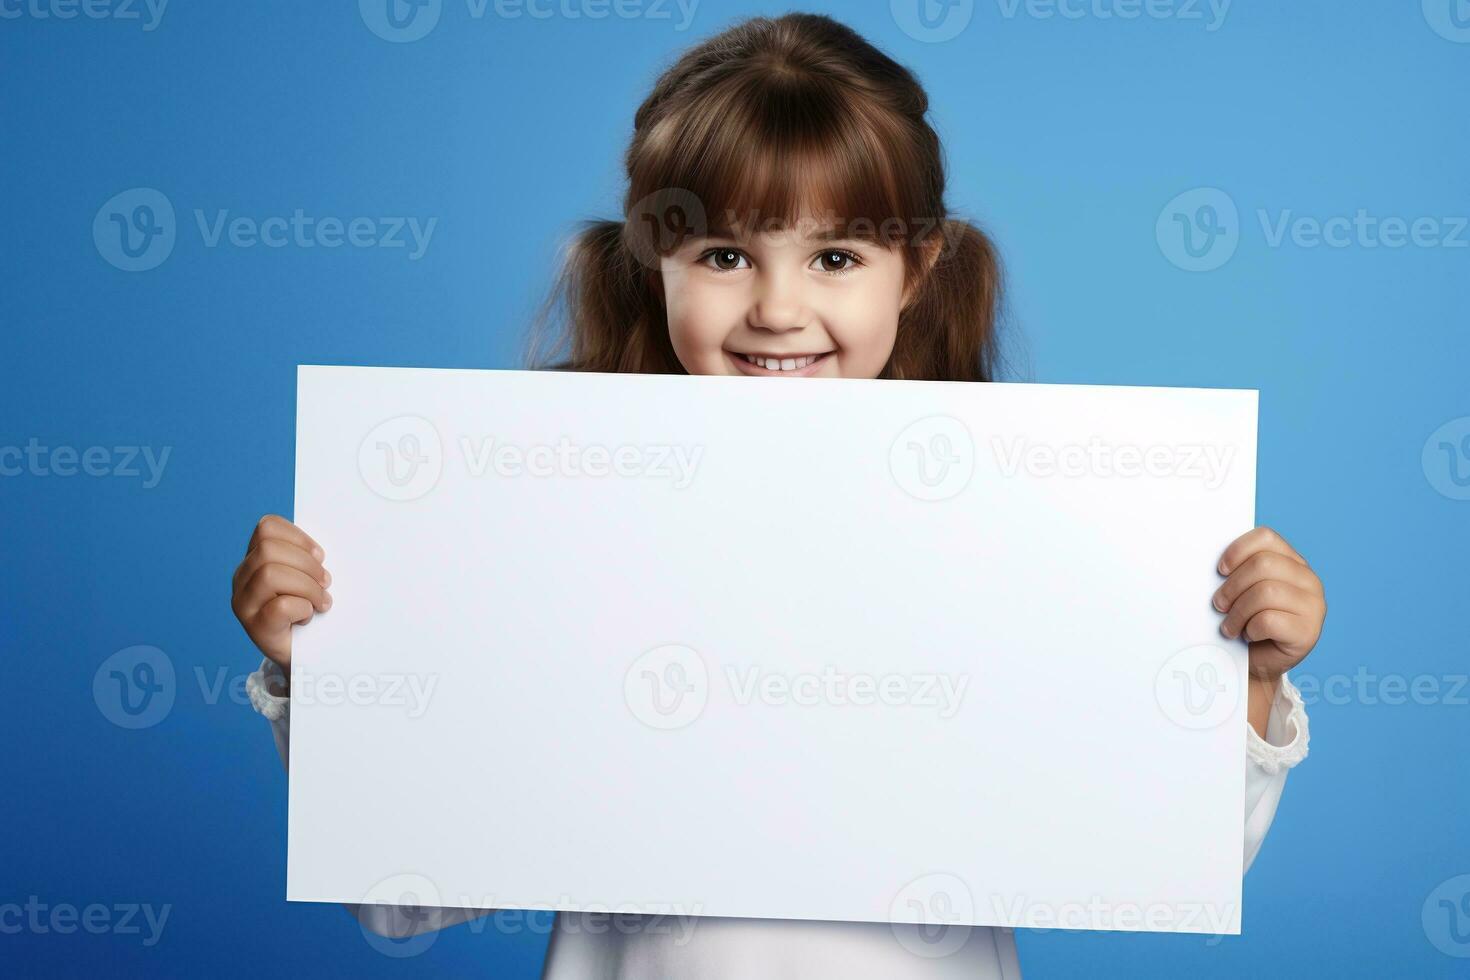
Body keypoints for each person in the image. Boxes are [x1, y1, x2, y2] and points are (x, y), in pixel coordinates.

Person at [232, 13, 1322, 977]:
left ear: (918, 267)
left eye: (837, 255)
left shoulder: (1022, 530)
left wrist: (1247, 683)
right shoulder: (551, 522)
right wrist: (321, 666)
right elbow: (406, 893)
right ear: (653, 263)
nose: (777, 307)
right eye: (723, 253)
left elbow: (1156, 853)